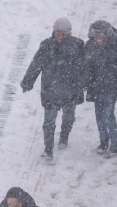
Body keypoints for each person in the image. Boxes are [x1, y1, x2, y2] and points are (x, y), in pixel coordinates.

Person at [20, 16, 85, 159]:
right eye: (58, 33)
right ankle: (48, 149)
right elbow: (36, 64)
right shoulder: (46, 46)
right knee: (48, 122)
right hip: (50, 90)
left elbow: (84, 68)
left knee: (68, 117)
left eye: (63, 34)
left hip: (70, 90)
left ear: (69, 33)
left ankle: (64, 136)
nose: (60, 37)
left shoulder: (78, 45)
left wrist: (82, 84)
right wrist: (28, 81)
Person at [83, 20, 117, 158]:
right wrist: (84, 83)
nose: (98, 37)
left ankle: (115, 141)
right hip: (97, 87)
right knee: (99, 115)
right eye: (95, 33)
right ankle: (104, 141)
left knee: (108, 114)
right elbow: (86, 66)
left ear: (107, 33)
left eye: (101, 33)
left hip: (112, 86)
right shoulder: (90, 46)